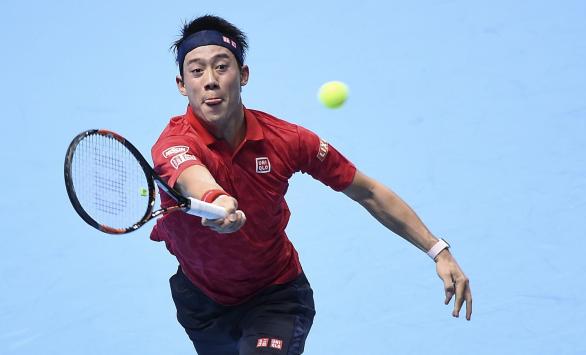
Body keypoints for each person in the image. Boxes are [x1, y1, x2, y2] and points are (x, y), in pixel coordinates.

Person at [150, 14, 472, 355]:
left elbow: (368, 191)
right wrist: (216, 199)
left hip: (275, 295)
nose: (210, 81)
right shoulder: (171, 145)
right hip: (201, 304)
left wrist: (438, 250)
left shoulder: (288, 141)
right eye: (197, 71)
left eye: (222, 67)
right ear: (182, 85)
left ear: (243, 75)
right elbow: (190, 174)